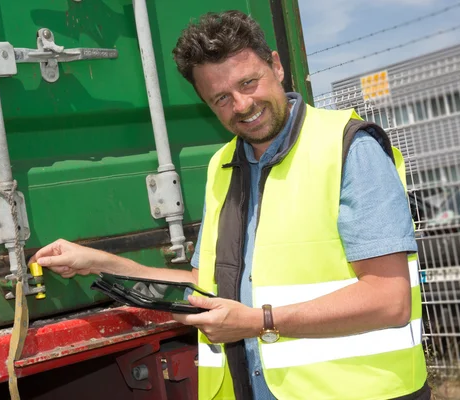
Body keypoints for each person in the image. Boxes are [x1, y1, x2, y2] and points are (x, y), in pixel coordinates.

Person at [30, 10, 430, 400]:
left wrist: (258, 322)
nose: (241, 105)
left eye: (249, 82)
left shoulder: (347, 147)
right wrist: (101, 263)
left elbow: (389, 300)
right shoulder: (223, 166)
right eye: (221, 97)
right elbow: (207, 288)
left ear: (276, 66)